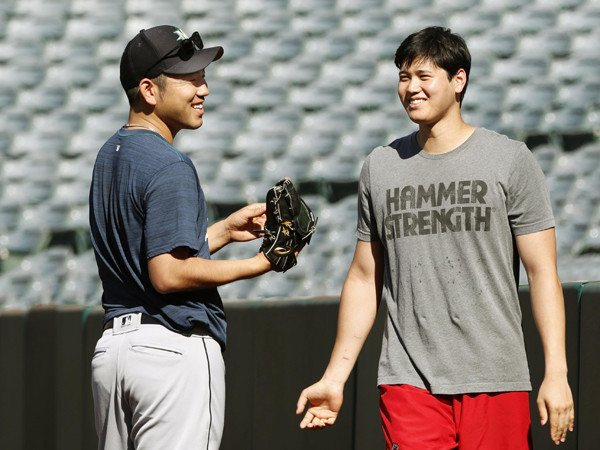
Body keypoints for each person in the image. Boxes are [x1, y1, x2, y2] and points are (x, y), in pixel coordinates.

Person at [296, 26, 574, 449]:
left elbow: (542, 273)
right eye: (404, 77)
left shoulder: (510, 159)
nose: (411, 88)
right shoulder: (380, 166)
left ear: (458, 80)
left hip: (494, 375)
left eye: (424, 76)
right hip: (407, 379)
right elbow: (363, 277)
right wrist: (335, 377)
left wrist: (556, 373)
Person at [89, 25, 276, 450]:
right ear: (150, 90)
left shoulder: (110, 154)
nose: (204, 89)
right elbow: (167, 274)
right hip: (170, 350)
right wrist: (258, 264)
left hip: (113, 354)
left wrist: (224, 232)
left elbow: (148, 250)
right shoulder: (170, 163)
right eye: (190, 79)